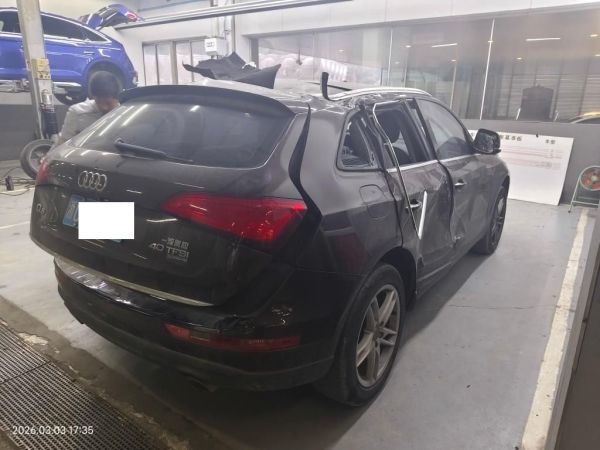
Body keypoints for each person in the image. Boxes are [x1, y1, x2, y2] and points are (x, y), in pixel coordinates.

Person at [55, 73, 121, 145]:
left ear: (117, 98)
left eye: (108, 103)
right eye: (98, 102)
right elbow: (63, 142)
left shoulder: (125, 115)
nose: (103, 107)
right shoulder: (78, 113)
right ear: (93, 97)